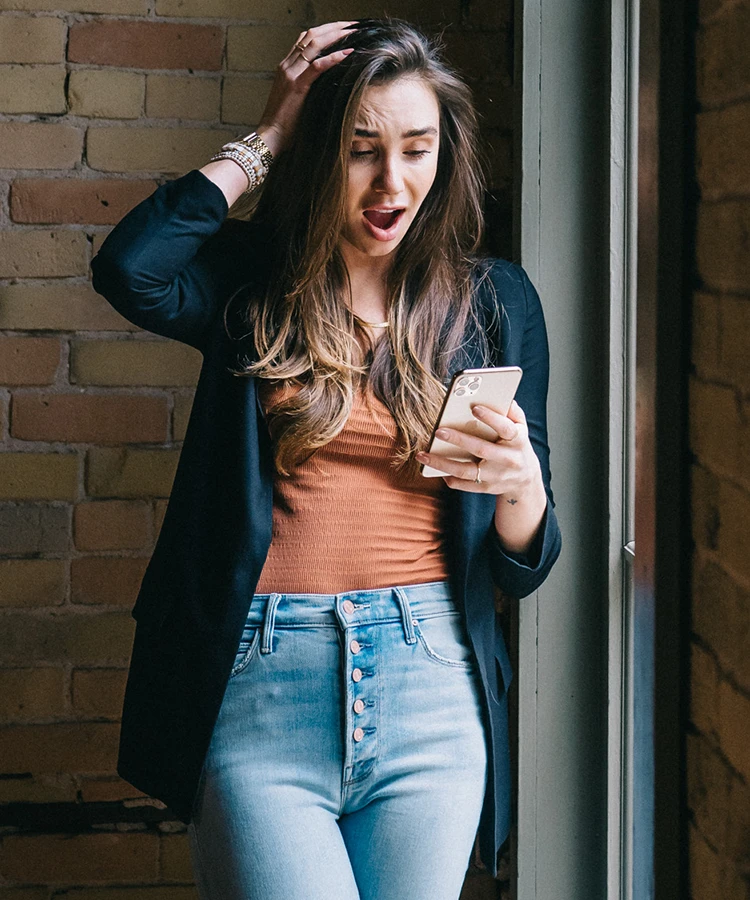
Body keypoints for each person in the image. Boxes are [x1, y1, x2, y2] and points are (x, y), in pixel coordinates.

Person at [91, 18, 561, 900]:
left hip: (434, 682)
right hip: (263, 676)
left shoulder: (495, 301)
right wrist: (268, 137)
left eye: (418, 150)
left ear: (444, 156)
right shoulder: (250, 283)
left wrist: (524, 487)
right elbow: (131, 269)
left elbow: (526, 564)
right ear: (319, 156)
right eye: (360, 151)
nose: (394, 183)